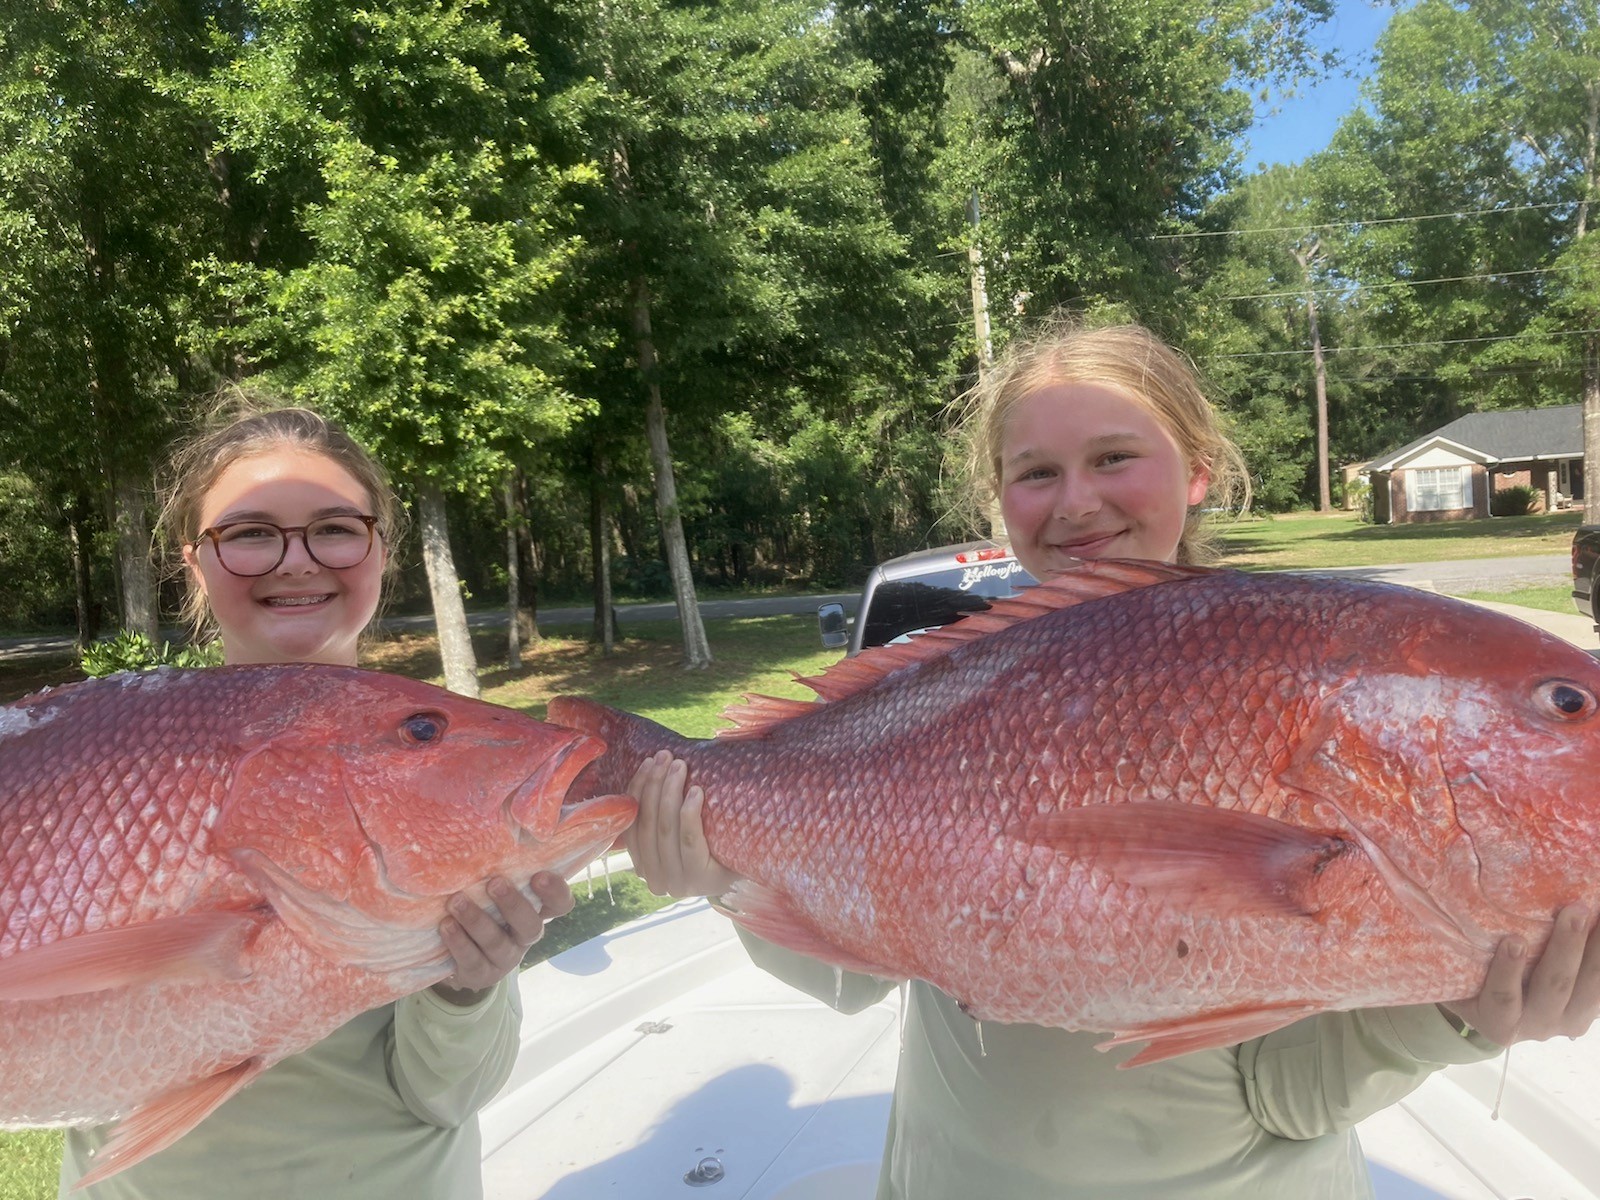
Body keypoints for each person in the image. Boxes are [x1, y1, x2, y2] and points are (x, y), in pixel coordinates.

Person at [623, 318, 1600, 1198]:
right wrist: (715, 872)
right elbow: (850, 979)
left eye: (1115, 457)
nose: (1076, 501)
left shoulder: (1301, 675)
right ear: (998, 496)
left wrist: (1468, 1016)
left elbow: (1291, 1095)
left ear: (1197, 471)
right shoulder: (953, 689)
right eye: (1035, 472)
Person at [60, 402, 573, 1199]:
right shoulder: (95, 751)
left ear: (379, 550)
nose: (295, 561)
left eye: (335, 528)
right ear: (194, 563)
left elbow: (451, 1096)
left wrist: (465, 984)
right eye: (251, 533)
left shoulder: (440, 782)